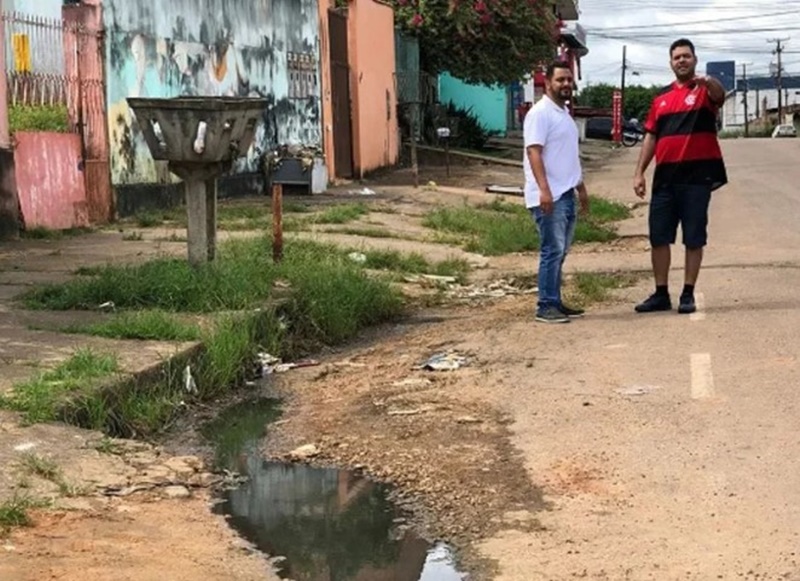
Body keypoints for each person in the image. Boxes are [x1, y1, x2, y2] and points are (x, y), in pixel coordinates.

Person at [633, 38, 727, 314]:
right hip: (665, 180)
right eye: (677, 57)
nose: (682, 61)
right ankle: (661, 293)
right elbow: (651, 135)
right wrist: (639, 172)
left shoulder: (704, 92)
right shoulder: (660, 99)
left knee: (693, 237)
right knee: (659, 237)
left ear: (695, 60)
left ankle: (688, 293)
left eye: (686, 56)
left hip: (697, 179)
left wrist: (708, 80)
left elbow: (720, 95)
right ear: (671, 62)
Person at [524, 61, 590, 324]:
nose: (566, 84)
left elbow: (569, 157)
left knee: (560, 251)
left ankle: (555, 301)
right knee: (552, 250)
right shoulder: (540, 113)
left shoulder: (563, 114)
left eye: (569, 80)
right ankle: (546, 306)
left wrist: (581, 188)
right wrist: (544, 190)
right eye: (560, 79)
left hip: (566, 193)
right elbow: (534, 151)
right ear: (548, 82)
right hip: (549, 196)